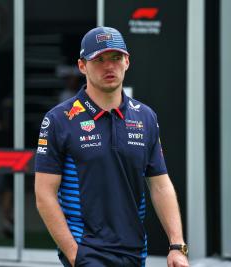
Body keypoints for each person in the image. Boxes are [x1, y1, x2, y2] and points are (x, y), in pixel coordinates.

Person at [34, 26, 189, 267]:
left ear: (127, 62)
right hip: (87, 253)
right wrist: (74, 254)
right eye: (99, 59)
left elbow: (160, 185)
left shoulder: (145, 116)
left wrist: (177, 246)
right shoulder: (59, 119)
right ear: (82, 65)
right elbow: (44, 195)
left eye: (116, 58)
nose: (109, 66)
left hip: (135, 252)